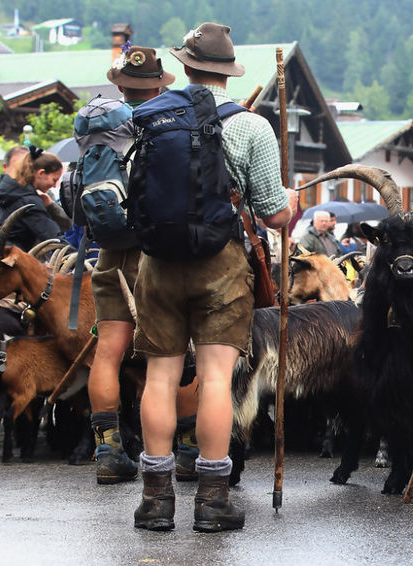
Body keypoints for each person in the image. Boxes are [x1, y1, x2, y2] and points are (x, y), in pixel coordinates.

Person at [132, 22, 298, 533]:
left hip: (157, 261)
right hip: (221, 264)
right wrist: (289, 203)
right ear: (228, 72)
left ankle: (156, 501)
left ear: (183, 66)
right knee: (217, 379)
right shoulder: (252, 127)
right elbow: (273, 216)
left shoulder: (149, 116)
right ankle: (211, 500)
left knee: (160, 377)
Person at [87, 46, 182, 486]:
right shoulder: (165, 124)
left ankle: (108, 451)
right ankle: (187, 450)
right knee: (176, 353)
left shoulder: (101, 129)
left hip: (109, 250)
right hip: (155, 253)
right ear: (160, 85)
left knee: (108, 349)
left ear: (119, 84)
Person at [0, 145, 70, 251]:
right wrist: (76, 260)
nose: (54, 185)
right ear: (41, 173)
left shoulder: (11, 193)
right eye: (54, 180)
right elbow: (53, 238)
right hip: (14, 261)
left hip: (1, 258)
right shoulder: (28, 201)